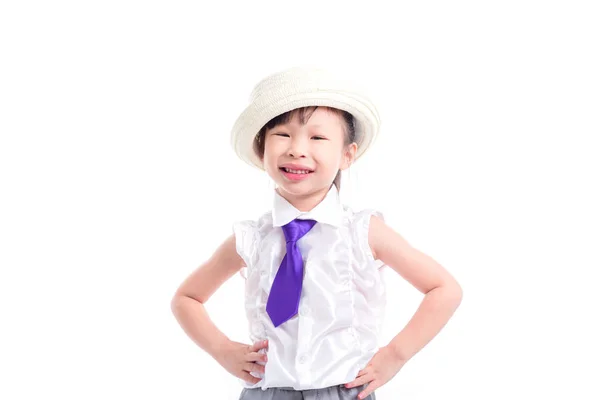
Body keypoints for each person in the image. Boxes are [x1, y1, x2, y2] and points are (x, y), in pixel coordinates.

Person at [171, 67, 463, 400]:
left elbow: (444, 289)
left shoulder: (363, 232)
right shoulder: (251, 239)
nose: (297, 149)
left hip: (344, 390)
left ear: (346, 155)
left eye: (317, 137)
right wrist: (223, 350)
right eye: (282, 134)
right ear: (260, 150)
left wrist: (394, 356)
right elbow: (187, 298)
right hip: (268, 392)